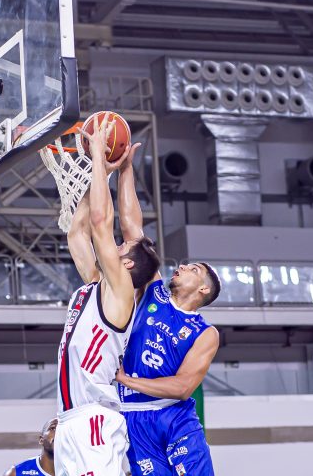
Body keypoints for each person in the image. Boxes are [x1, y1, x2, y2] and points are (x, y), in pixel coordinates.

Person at [54, 114, 161, 476]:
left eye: (121, 247)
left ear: (127, 265)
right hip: (70, 420)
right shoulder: (95, 285)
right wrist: (103, 175)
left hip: (93, 421)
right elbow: (77, 233)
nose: (114, 244)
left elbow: (102, 223)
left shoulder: (121, 291)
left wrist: (99, 158)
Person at [114, 143, 221, 476]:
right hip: (133, 417)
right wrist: (126, 169)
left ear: (203, 289)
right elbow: (133, 230)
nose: (183, 266)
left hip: (174, 416)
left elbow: (182, 387)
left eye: (193, 269)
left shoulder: (205, 333)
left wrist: (126, 380)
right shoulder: (154, 290)